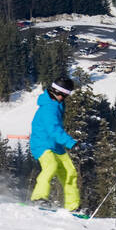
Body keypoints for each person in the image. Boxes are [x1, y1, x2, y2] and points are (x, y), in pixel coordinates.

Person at [29, 78, 81, 212]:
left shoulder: (56, 105)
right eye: (63, 95)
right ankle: (39, 197)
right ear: (56, 92)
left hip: (55, 145)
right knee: (50, 166)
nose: (64, 98)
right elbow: (54, 129)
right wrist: (71, 143)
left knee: (70, 172)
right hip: (42, 144)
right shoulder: (49, 108)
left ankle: (73, 206)